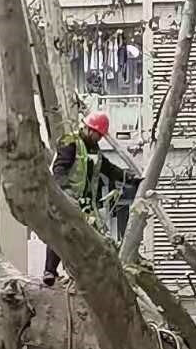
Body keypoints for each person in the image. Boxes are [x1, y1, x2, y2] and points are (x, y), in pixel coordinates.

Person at [42, 111, 141, 286]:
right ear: (89, 129)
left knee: (85, 237)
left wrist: (129, 178)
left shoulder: (94, 150)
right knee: (60, 232)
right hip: (64, 198)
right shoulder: (69, 142)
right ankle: (49, 270)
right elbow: (59, 170)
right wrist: (64, 193)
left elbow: (108, 169)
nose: (99, 139)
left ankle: (79, 273)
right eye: (98, 135)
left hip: (85, 203)